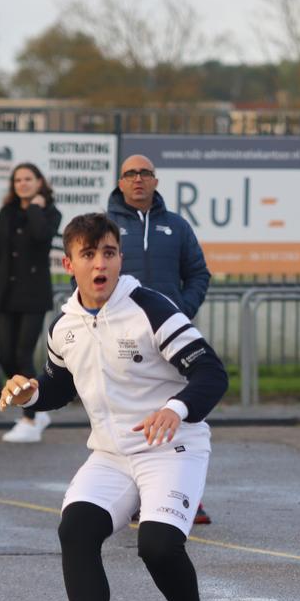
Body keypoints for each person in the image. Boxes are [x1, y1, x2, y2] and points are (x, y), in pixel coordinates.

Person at [0, 212, 228, 601]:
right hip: (110, 454)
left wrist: (176, 407)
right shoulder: (64, 326)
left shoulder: (151, 308)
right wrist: (29, 395)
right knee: (75, 530)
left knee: (158, 547)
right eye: (89, 255)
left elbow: (212, 372)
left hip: (172, 447)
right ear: (70, 264)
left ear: (120, 258)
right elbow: (60, 386)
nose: (101, 263)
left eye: (109, 252)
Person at [108, 153, 215, 525]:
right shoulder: (105, 227)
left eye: (145, 173)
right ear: (120, 182)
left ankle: (187, 496)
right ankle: (134, 496)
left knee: (180, 408)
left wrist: (181, 310)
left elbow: (199, 274)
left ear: (155, 180)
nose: (138, 179)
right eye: (130, 174)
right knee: (132, 414)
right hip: (124, 338)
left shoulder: (178, 226)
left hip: (171, 336)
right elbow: (87, 277)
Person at [0, 163, 63, 444]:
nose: (22, 184)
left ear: (40, 182)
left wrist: (34, 209)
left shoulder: (49, 212)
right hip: (5, 295)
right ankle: (36, 411)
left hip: (33, 294)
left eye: (28, 179)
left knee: (23, 354)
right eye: (18, 180)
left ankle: (31, 416)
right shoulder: (6, 212)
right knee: (6, 355)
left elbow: (42, 236)